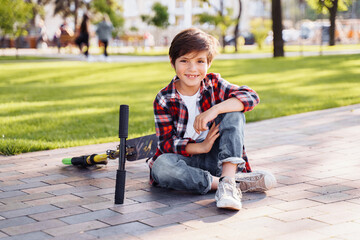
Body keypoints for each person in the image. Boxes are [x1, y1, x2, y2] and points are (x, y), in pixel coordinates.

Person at [148, 28, 276, 211]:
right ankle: (230, 184)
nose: (192, 69)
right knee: (160, 167)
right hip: (185, 162)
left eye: (200, 61)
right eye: (184, 61)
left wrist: (214, 110)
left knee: (234, 110)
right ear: (172, 62)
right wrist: (201, 147)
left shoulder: (214, 84)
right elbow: (166, 144)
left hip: (218, 160)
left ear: (209, 63)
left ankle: (228, 179)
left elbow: (251, 96)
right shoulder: (164, 98)